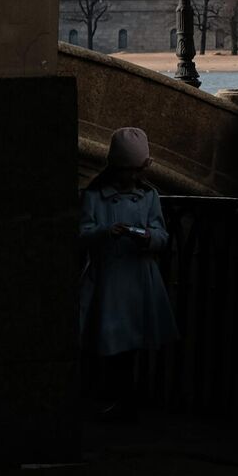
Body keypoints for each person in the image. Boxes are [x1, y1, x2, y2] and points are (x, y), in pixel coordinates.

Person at [79, 126, 177, 423]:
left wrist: (146, 238)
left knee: (129, 344)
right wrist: (105, 233)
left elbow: (162, 235)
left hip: (135, 277)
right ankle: (121, 398)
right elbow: (82, 233)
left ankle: (125, 399)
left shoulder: (149, 196)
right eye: (129, 171)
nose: (133, 177)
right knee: (112, 344)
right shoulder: (95, 196)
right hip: (112, 278)